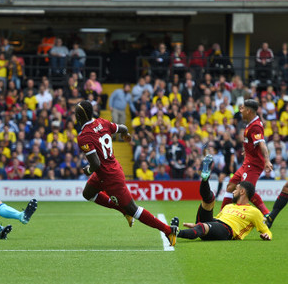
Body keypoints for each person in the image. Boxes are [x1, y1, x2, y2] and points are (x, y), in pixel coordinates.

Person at [75, 100, 178, 246]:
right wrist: (126, 134)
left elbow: (95, 164)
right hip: (106, 171)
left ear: (78, 117)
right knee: (88, 193)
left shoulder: (84, 136)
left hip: (110, 177)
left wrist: (88, 170)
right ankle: (124, 211)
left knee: (134, 209)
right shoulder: (102, 122)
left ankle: (168, 230)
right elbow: (122, 128)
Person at [173, 155, 272, 241]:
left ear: (242, 192)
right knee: (209, 199)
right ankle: (205, 179)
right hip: (215, 224)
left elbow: (266, 230)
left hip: (227, 230)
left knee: (203, 226)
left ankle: (175, 232)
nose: (233, 192)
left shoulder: (254, 212)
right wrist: (196, 226)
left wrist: (267, 235)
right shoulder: (228, 206)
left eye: (236, 189)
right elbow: (215, 220)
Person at [220, 99, 272, 216]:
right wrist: (247, 149)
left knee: (247, 190)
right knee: (231, 186)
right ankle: (222, 214)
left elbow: (262, 144)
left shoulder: (256, 126)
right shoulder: (250, 123)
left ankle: (267, 214)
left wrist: (267, 161)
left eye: (242, 108)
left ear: (248, 111)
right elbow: (252, 142)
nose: (240, 110)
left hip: (253, 164)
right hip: (247, 162)